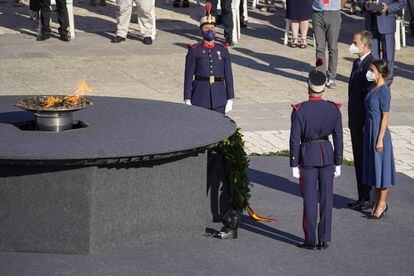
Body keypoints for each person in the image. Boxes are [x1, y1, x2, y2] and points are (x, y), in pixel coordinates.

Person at [290, 60, 343, 250]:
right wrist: (338, 162)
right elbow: (338, 137)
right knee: (327, 199)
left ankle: (310, 240)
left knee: (310, 200)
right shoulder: (333, 109)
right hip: (327, 156)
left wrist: (293, 163)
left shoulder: (299, 110)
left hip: (307, 156)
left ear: (308, 86)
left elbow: (295, 139)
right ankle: (324, 238)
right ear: (323, 88)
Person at [183, 3, 235, 114]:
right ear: (201, 30)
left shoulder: (222, 49)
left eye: (212, 28)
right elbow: (188, 76)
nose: (210, 31)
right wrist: (187, 98)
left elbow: (228, 75)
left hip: (219, 95)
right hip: (200, 95)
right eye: (206, 28)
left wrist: (230, 98)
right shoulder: (194, 50)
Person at [363, 59, 397, 219]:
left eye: (371, 69)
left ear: (379, 72)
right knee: (373, 169)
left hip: (379, 133)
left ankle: (382, 204)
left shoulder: (384, 91)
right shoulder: (372, 88)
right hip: (369, 131)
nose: (369, 72)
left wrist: (380, 139)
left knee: (382, 171)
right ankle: (376, 202)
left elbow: (385, 117)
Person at [347, 30, 374, 210]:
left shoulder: (372, 65)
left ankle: (369, 198)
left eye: (355, 42)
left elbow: (370, 96)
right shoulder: (357, 62)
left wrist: (366, 122)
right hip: (355, 120)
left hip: (364, 121)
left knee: (366, 160)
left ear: (365, 45)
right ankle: (361, 196)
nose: (353, 44)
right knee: (358, 159)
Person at [359, 0, 405, 86]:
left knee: (388, 56)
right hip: (371, 23)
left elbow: (401, 3)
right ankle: (374, 82)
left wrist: (388, 8)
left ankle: (386, 84)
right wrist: (365, 5)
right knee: (372, 57)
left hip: (387, 22)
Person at [312, 0, 346, 89]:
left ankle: (331, 77)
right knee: (319, 48)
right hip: (317, 13)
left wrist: (337, 8)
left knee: (333, 47)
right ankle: (321, 75)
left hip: (333, 13)